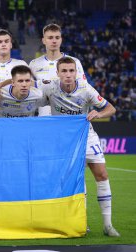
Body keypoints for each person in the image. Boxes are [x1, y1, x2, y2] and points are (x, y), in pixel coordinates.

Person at [39, 57, 120, 237]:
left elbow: (111, 109)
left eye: (71, 71)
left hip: (87, 135)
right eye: (64, 71)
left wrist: (98, 113)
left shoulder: (85, 88)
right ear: (58, 73)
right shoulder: (50, 88)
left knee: (102, 175)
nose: (68, 75)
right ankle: (81, 222)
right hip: (65, 140)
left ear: (76, 72)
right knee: (76, 180)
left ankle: (108, 225)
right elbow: (34, 102)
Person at [29, 23, 86, 116]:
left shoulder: (74, 62)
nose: (54, 41)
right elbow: (30, 92)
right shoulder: (34, 64)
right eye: (50, 38)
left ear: (61, 40)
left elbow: (83, 90)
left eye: (57, 37)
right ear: (43, 40)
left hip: (68, 116)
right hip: (45, 118)